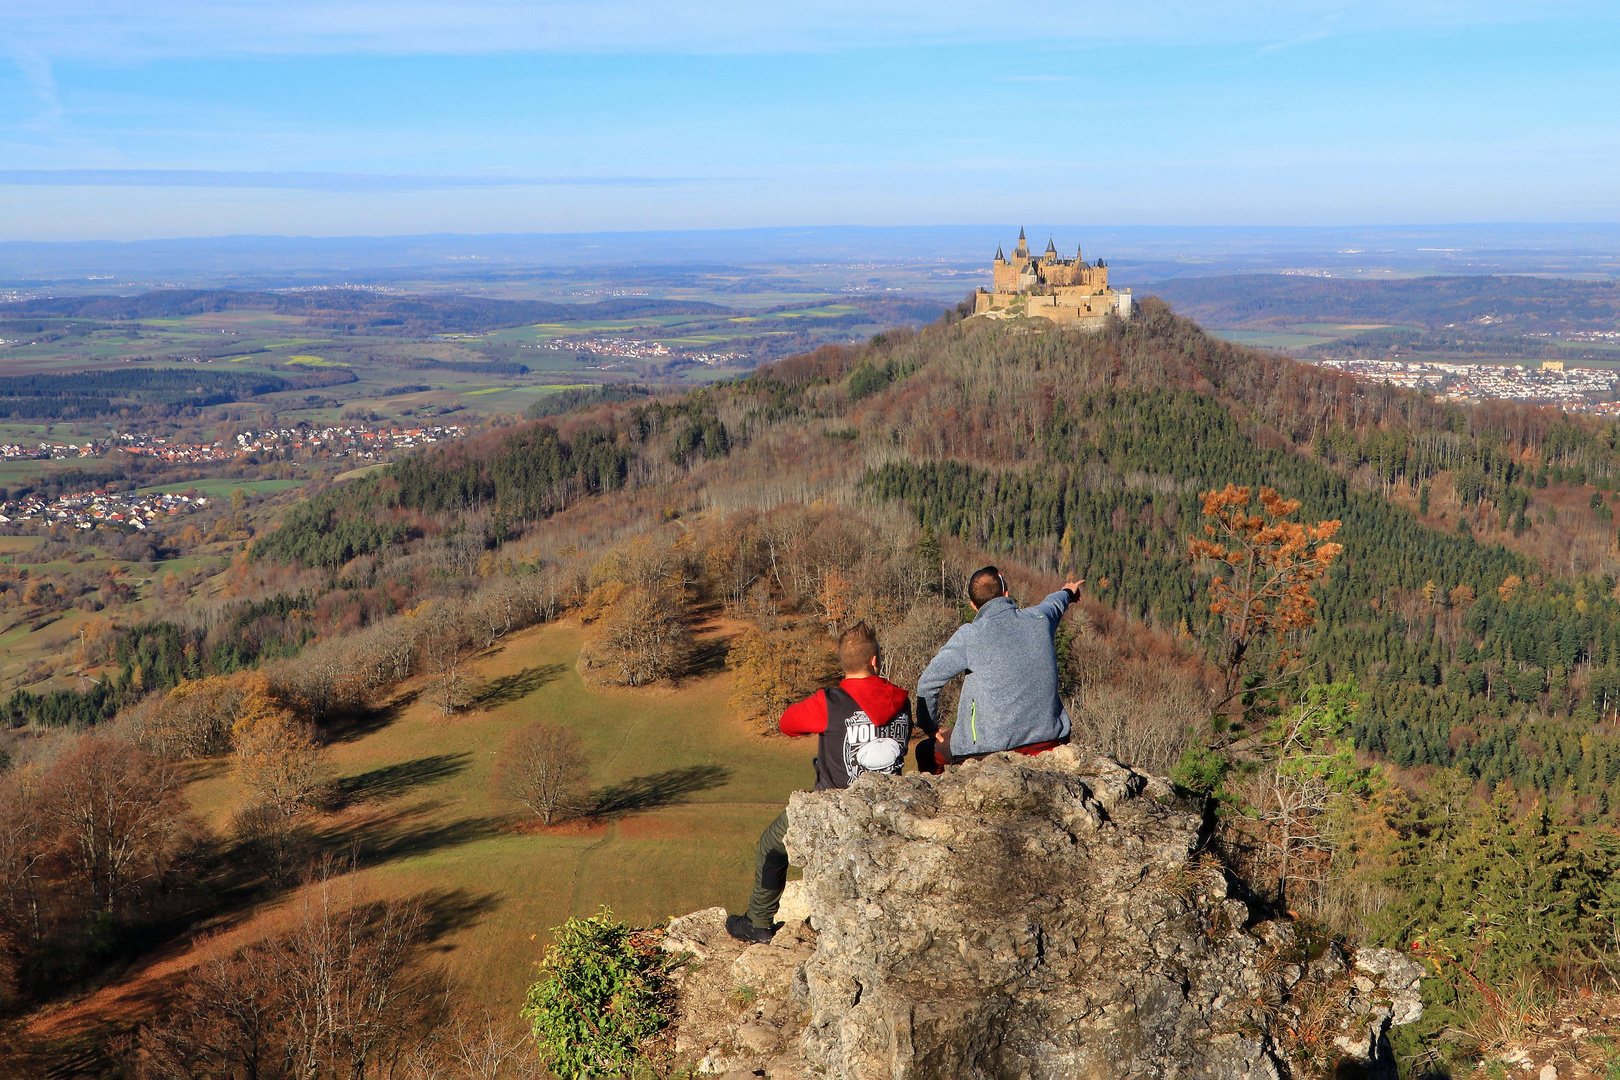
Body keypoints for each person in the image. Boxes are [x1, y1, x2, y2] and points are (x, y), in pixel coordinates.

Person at [726, 621, 912, 944]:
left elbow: (786, 723)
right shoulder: (902, 701)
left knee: (771, 844)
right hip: (888, 809)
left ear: (845, 665)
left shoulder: (831, 702)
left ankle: (758, 923)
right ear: (875, 661)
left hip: (833, 810)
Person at [916, 567, 1084, 764]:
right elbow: (1054, 603)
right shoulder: (1039, 619)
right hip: (1049, 740)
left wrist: (930, 728)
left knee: (924, 752)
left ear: (973, 605)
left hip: (988, 748)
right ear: (1006, 594)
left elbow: (927, 684)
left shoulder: (969, 635)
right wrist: (1068, 592)